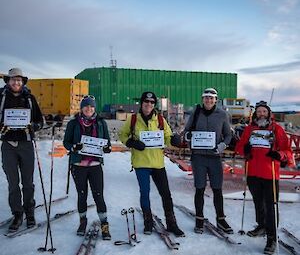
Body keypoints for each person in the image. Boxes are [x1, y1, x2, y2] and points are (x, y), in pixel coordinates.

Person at [119, 91, 185, 237]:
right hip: (141, 163)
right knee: (145, 192)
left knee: (166, 194)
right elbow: (122, 135)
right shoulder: (133, 119)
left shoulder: (160, 119)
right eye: (146, 102)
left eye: (152, 102)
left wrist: (174, 141)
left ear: (154, 104)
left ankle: (172, 223)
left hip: (157, 163)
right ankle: (148, 221)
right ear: (141, 103)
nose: (149, 104)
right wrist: (132, 142)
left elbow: (167, 137)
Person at [235, 100, 293, 254]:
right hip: (253, 173)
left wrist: (278, 154)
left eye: (264, 111)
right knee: (258, 203)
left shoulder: (276, 129)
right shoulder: (250, 129)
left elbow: (288, 151)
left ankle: (272, 238)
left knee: (271, 207)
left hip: (270, 174)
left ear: (269, 114)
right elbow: (239, 147)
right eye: (259, 111)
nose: (261, 114)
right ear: (255, 114)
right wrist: (245, 149)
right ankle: (261, 226)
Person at [0, 68, 44, 232]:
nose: (16, 82)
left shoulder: (30, 98)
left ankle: (29, 212)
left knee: (28, 182)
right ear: (8, 81)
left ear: (23, 82)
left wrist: (33, 127)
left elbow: (40, 121)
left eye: (19, 80)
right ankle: (17, 214)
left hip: (26, 145)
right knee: (13, 182)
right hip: (8, 144)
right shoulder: (2, 97)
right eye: (13, 79)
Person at [184, 87, 233, 234]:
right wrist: (188, 137)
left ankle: (221, 219)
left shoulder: (222, 114)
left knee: (217, 189)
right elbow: (187, 131)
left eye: (212, 98)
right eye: (206, 97)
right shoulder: (196, 112)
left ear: (216, 100)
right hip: (198, 157)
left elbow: (228, 135)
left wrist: (222, 146)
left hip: (214, 157)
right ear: (202, 99)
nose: (209, 100)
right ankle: (199, 219)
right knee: (199, 188)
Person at [63, 95, 112, 239]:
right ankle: (82, 222)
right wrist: (73, 147)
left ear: (94, 108)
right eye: (86, 106)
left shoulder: (101, 123)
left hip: (95, 165)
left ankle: (104, 224)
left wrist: (107, 148)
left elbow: (107, 142)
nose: (89, 109)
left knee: (99, 196)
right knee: (82, 195)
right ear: (81, 108)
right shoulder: (73, 123)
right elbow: (66, 142)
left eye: (91, 106)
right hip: (78, 165)